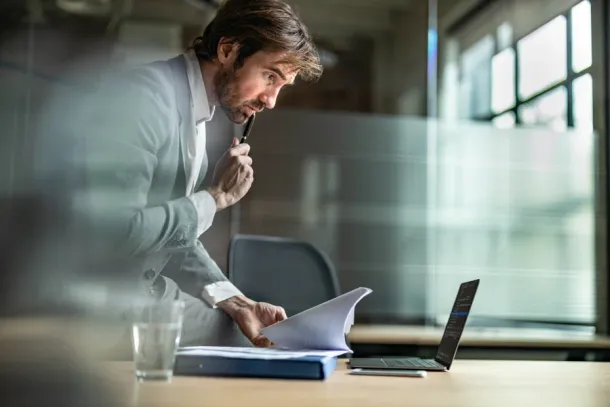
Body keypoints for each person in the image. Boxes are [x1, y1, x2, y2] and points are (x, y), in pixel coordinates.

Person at [47, 0, 323, 349]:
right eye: (270, 77)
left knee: (244, 326)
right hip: (95, 303)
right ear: (229, 49)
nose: (271, 101)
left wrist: (238, 303)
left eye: (282, 86)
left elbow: (169, 234)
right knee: (242, 339)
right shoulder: (146, 98)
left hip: (140, 295)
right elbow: (116, 233)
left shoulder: (195, 113)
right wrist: (213, 198)